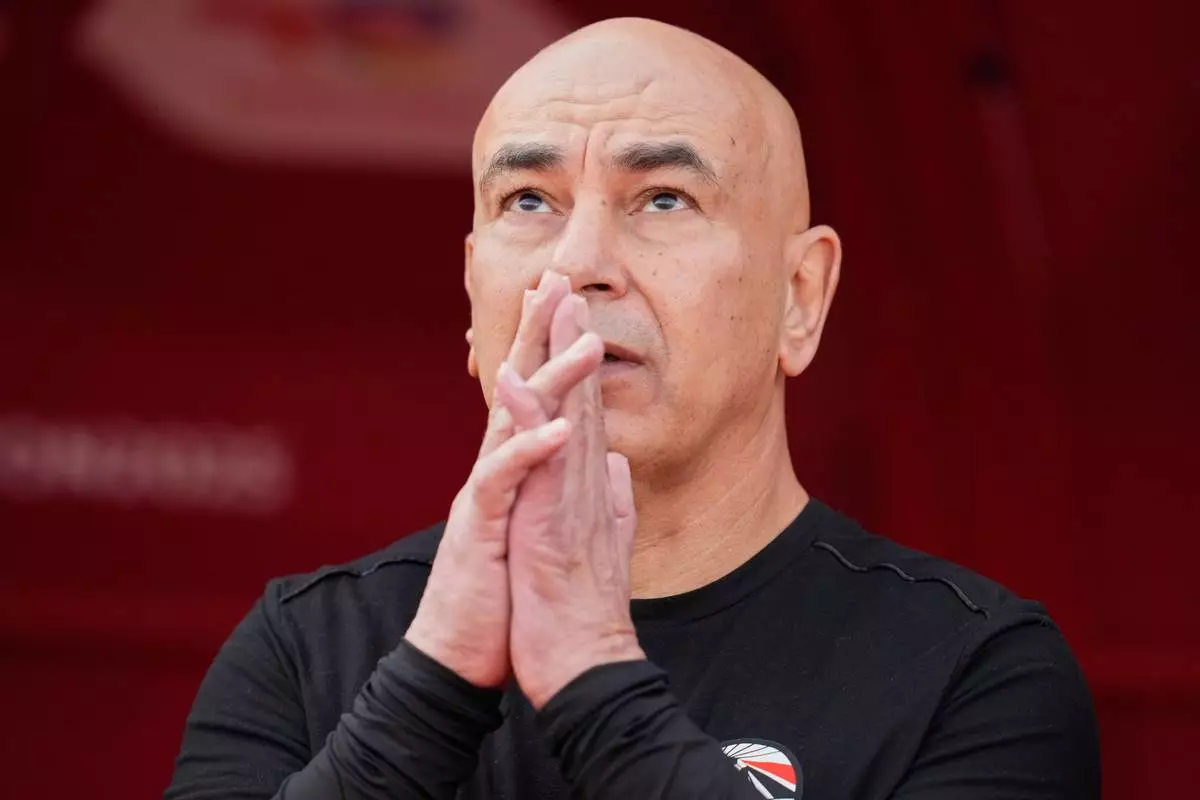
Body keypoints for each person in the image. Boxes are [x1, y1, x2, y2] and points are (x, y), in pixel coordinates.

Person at [165, 17, 1099, 800]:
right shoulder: (305, 644)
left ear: (800, 298)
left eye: (662, 198)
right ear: (471, 297)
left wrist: (592, 672)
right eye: (529, 198)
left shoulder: (969, 670)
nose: (575, 263)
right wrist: (435, 674)